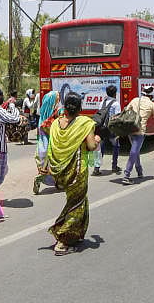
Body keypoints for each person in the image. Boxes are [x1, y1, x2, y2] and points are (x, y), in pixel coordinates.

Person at [46, 92, 100, 255]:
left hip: (61, 170)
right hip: (77, 170)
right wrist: (96, 140)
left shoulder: (55, 124)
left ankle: (76, 233)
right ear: (80, 108)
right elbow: (91, 146)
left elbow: (54, 146)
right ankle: (63, 240)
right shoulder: (85, 123)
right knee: (76, 205)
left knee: (77, 201)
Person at [122, 86, 154, 185]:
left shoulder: (134, 100)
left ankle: (139, 172)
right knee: (134, 151)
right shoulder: (152, 104)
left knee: (135, 151)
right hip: (140, 131)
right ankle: (127, 175)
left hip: (130, 129)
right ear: (151, 95)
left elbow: (126, 110)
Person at [33, 91, 61, 194]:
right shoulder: (56, 112)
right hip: (51, 143)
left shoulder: (42, 114)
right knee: (54, 163)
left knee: (44, 164)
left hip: (42, 145)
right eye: (57, 98)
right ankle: (48, 180)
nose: (59, 99)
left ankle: (41, 178)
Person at [92, 85, 122, 176]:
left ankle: (96, 168)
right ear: (114, 93)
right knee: (116, 146)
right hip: (111, 128)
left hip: (101, 129)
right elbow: (117, 117)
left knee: (100, 149)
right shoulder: (116, 103)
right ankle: (114, 166)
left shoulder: (102, 102)